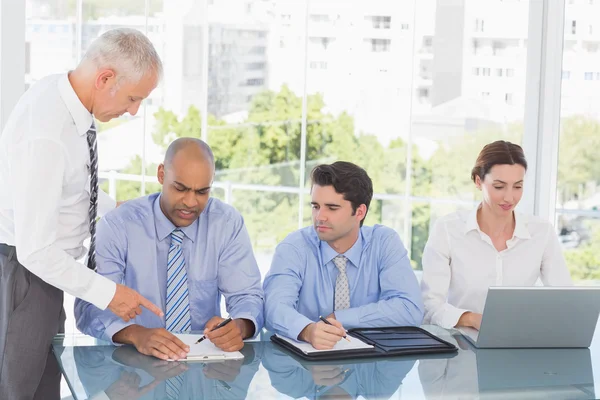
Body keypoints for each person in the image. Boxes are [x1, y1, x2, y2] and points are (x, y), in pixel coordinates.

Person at [0, 28, 164, 399]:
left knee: (43, 388)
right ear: (105, 78)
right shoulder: (46, 131)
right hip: (25, 276)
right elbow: (35, 250)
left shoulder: (67, 97)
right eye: (133, 98)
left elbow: (66, 185)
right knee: (17, 391)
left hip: (46, 278)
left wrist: (113, 208)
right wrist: (109, 294)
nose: (134, 110)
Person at [75, 138, 264, 361]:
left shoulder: (226, 224)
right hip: (130, 369)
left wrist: (239, 327)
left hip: (202, 367)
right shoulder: (117, 226)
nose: (191, 202)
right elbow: (88, 307)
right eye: (180, 188)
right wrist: (136, 335)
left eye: (202, 192)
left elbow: (247, 296)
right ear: (162, 175)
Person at [263, 161, 423, 350]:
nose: (320, 217)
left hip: (370, 367)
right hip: (305, 367)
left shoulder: (384, 242)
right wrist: (307, 330)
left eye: (332, 208)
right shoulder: (294, 247)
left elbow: (409, 308)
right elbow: (273, 308)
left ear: (360, 212)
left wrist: (339, 318)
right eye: (315, 206)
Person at [421, 140, 573, 331]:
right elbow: (429, 305)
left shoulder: (541, 232)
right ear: (478, 181)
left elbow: (566, 299)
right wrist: (473, 319)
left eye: (517, 187)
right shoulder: (447, 230)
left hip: (520, 343)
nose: (509, 197)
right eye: (499, 186)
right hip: (461, 346)